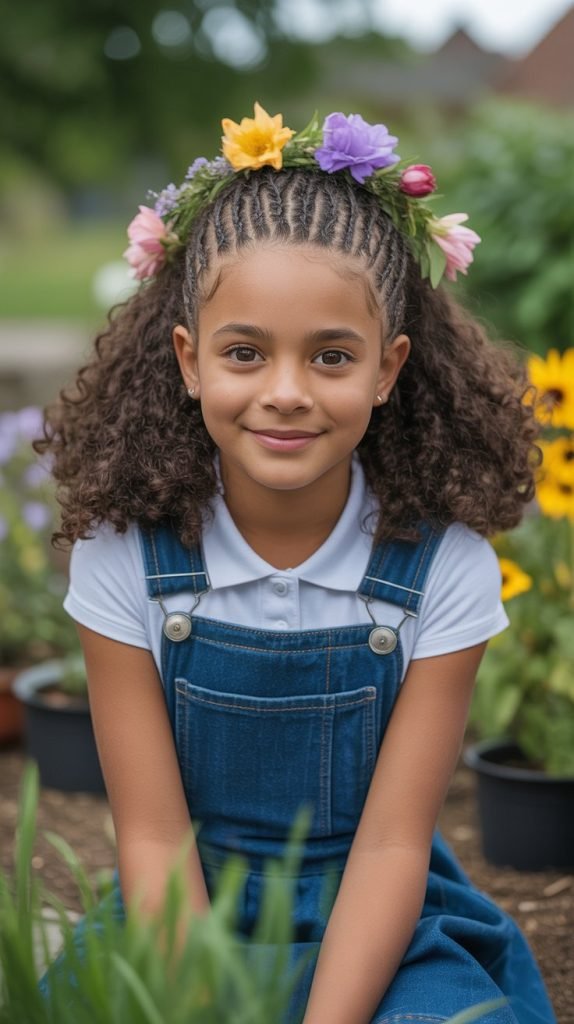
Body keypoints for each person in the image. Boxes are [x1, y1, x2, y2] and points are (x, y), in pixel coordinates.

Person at [37, 103, 556, 1023]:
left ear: (388, 370)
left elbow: (396, 845)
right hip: (182, 918)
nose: (285, 393)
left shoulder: (443, 565)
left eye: (331, 356)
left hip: (384, 927)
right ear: (190, 362)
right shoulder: (124, 556)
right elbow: (155, 840)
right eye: (245, 353)